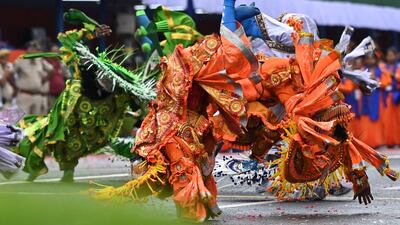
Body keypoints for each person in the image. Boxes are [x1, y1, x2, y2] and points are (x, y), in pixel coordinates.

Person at [13, 41, 53, 114]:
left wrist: (43, 80)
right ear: (27, 49)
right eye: (31, 48)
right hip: (25, 94)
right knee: (22, 120)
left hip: (38, 95)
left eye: (35, 49)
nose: (33, 50)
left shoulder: (40, 60)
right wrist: (14, 87)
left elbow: (51, 70)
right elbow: (11, 73)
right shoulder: (21, 60)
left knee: (38, 121)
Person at [44, 43, 70, 108]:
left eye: (57, 51)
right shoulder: (46, 62)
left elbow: (68, 76)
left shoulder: (62, 63)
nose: (56, 53)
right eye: (54, 51)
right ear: (50, 52)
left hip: (61, 94)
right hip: (50, 95)